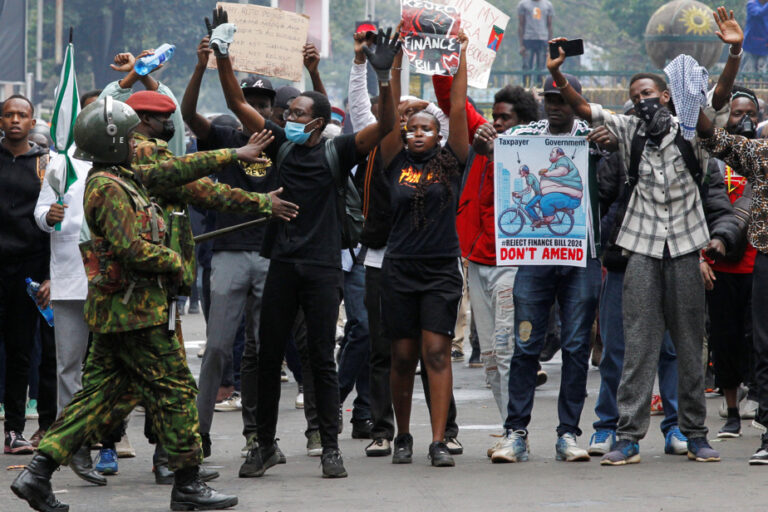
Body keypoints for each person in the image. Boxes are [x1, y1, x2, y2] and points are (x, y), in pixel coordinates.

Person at [9, 96, 276, 511]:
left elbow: (182, 175)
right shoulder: (109, 187)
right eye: (130, 136)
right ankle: (187, 480)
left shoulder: (124, 176)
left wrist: (244, 178)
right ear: (113, 140)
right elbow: (131, 248)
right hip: (136, 311)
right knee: (177, 392)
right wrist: (175, 259)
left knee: (98, 399)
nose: (138, 142)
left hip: (124, 311)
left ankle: (37, 474)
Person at [208, 7, 400, 478]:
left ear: (316, 122)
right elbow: (236, 102)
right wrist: (223, 51)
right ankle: (265, 446)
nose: (285, 115)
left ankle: (330, 446)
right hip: (282, 264)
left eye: (296, 113)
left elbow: (387, 125)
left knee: (320, 357)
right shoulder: (281, 143)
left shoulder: (338, 149)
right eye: (286, 112)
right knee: (268, 353)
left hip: (321, 268)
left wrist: (384, 78)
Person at [547, 6, 743, 465]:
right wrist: (559, 76)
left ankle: (695, 434)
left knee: (690, 344)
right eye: (636, 95)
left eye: (649, 92)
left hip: (686, 249)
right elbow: (581, 107)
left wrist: (734, 51)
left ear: (668, 95)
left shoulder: (693, 130)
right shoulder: (629, 128)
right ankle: (629, 438)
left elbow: (720, 95)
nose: (642, 100)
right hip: (639, 248)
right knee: (637, 345)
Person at [476, 73, 604, 464]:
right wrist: (487, 145)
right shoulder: (528, 132)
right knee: (526, 343)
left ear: (576, 100)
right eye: (550, 99)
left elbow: (616, 178)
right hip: (533, 255)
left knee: (578, 347)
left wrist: (611, 151)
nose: (555, 106)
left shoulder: (594, 134)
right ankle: (516, 432)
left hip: (581, 255)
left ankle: (568, 434)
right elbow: (499, 149)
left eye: (563, 99)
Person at [376, 30, 469, 468]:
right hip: (399, 269)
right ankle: (403, 435)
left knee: (435, 350)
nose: (416, 133)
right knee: (403, 354)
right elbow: (389, 114)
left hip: (439, 270)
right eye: (412, 128)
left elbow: (456, 108)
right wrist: (393, 64)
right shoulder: (393, 157)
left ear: (437, 135)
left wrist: (461, 57)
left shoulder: (452, 162)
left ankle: (436, 440)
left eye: (425, 129)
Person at [437, 79, 540, 457]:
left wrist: (497, 153)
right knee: (492, 360)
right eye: (494, 117)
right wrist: (456, 54)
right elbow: (453, 99)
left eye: (505, 118)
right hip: (478, 259)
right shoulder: (482, 142)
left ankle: (517, 432)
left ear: (524, 122)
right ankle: (510, 428)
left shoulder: (532, 151)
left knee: (506, 348)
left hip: (513, 263)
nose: (496, 124)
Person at [695, 87, 768, 465]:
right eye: (737, 113)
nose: (745, 120)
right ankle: (749, 420)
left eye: (750, 114)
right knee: (743, 341)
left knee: (760, 342)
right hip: (742, 261)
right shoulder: (744, 158)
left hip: (758, 261)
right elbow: (714, 141)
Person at [0, 95, 51, 456]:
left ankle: (14, 430)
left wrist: (50, 276)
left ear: (33, 122)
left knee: (20, 350)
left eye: (22, 115)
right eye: (9, 114)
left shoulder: (46, 165)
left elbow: (53, 226)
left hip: (28, 271)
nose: (15, 120)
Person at [517, 0, 554, 87]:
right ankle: (526, 88)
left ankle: (539, 88)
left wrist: (550, 44)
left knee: (541, 68)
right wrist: (521, 45)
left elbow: (549, 26)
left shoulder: (547, 5)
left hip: (543, 39)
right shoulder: (523, 4)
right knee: (526, 67)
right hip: (528, 39)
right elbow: (521, 24)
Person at [743, 0, 768, 73]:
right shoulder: (752, 4)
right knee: (748, 73)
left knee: (762, 75)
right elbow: (759, 14)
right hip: (751, 46)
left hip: (764, 48)